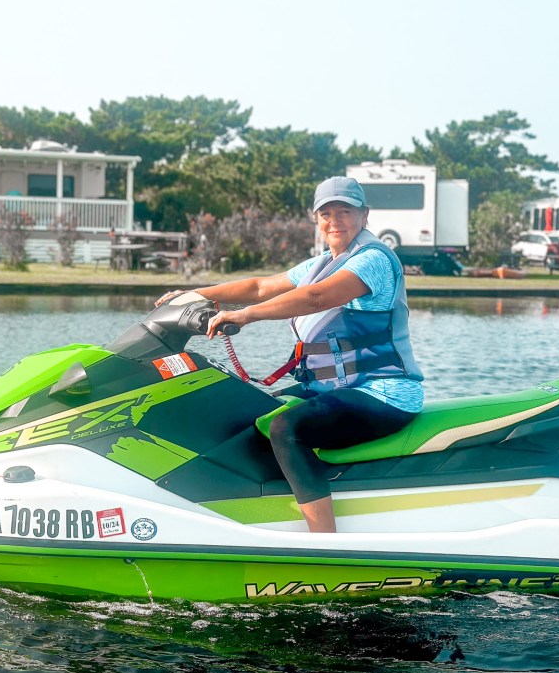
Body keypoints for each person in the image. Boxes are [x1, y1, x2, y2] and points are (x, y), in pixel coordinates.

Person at [156, 176, 424, 533]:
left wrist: (245, 315)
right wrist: (193, 295)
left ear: (364, 215)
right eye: (326, 213)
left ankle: (324, 542)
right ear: (316, 219)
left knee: (286, 428)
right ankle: (256, 519)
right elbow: (259, 286)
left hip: (384, 393)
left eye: (344, 211)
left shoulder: (373, 259)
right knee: (247, 411)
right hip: (334, 390)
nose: (334, 220)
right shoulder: (318, 265)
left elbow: (317, 298)